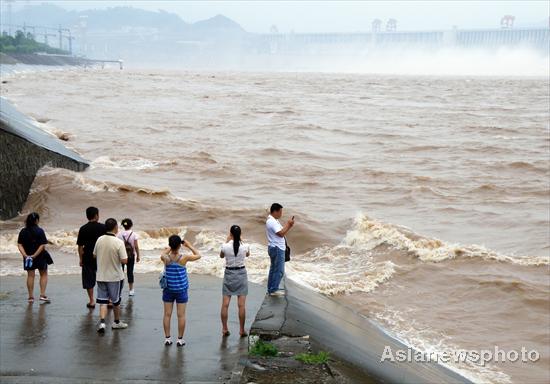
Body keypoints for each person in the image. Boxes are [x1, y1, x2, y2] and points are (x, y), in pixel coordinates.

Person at [160, 235, 200, 347]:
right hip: (181, 290)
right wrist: (189, 245)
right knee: (181, 315)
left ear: (170, 245)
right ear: (179, 245)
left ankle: (167, 338)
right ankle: (180, 339)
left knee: (167, 314)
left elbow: (163, 254)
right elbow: (198, 255)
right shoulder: (184, 258)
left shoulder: (165, 258)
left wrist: (170, 248)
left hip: (168, 289)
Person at [93, 218, 128, 333]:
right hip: (115, 277)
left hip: (101, 275)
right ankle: (116, 322)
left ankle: (102, 323)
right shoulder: (118, 242)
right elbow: (124, 260)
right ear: (116, 228)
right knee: (115, 301)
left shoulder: (99, 239)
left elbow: (94, 255)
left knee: (102, 301)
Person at [220, 225, 250, 337]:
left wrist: (227, 241)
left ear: (230, 234)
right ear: (240, 234)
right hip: (241, 274)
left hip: (229, 274)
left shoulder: (225, 246)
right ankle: (242, 330)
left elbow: (221, 256)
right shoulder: (245, 246)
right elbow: (247, 254)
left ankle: (224, 329)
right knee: (241, 305)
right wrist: (241, 241)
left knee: (225, 304)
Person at [17, 212, 53, 303]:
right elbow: (42, 245)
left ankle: (30, 297)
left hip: (28, 257)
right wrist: (35, 255)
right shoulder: (40, 230)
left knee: (30, 275)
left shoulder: (23, 231)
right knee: (43, 274)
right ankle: (42, 295)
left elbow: (20, 244)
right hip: (40, 256)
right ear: (36, 220)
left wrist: (25, 255)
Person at [77, 206, 106, 308]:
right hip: (102, 256)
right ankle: (109, 300)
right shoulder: (103, 227)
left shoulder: (83, 229)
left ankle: (92, 301)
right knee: (105, 277)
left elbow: (80, 247)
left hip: (88, 256)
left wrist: (81, 259)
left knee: (89, 279)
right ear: (96, 215)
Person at [265, 203, 294, 296]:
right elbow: (281, 233)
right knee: (279, 270)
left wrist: (288, 226)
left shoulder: (273, 220)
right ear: (275, 211)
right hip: (277, 248)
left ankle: (271, 288)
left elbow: (281, 231)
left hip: (275, 247)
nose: (281, 214)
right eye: (280, 212)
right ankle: (273, 289)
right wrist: (289, 225)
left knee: (273, 269)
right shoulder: (272, 221)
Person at [117, 218, 140, 296]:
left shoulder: (119, 234)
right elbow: (136, 246)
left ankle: (119, 291)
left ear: (123, 225)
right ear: (131, 225)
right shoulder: (134, 234)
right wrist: (138, 255)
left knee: (120, 272)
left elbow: (117, 246)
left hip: (121, 256)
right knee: (130, 272)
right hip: (131, 256)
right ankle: (131, 290)